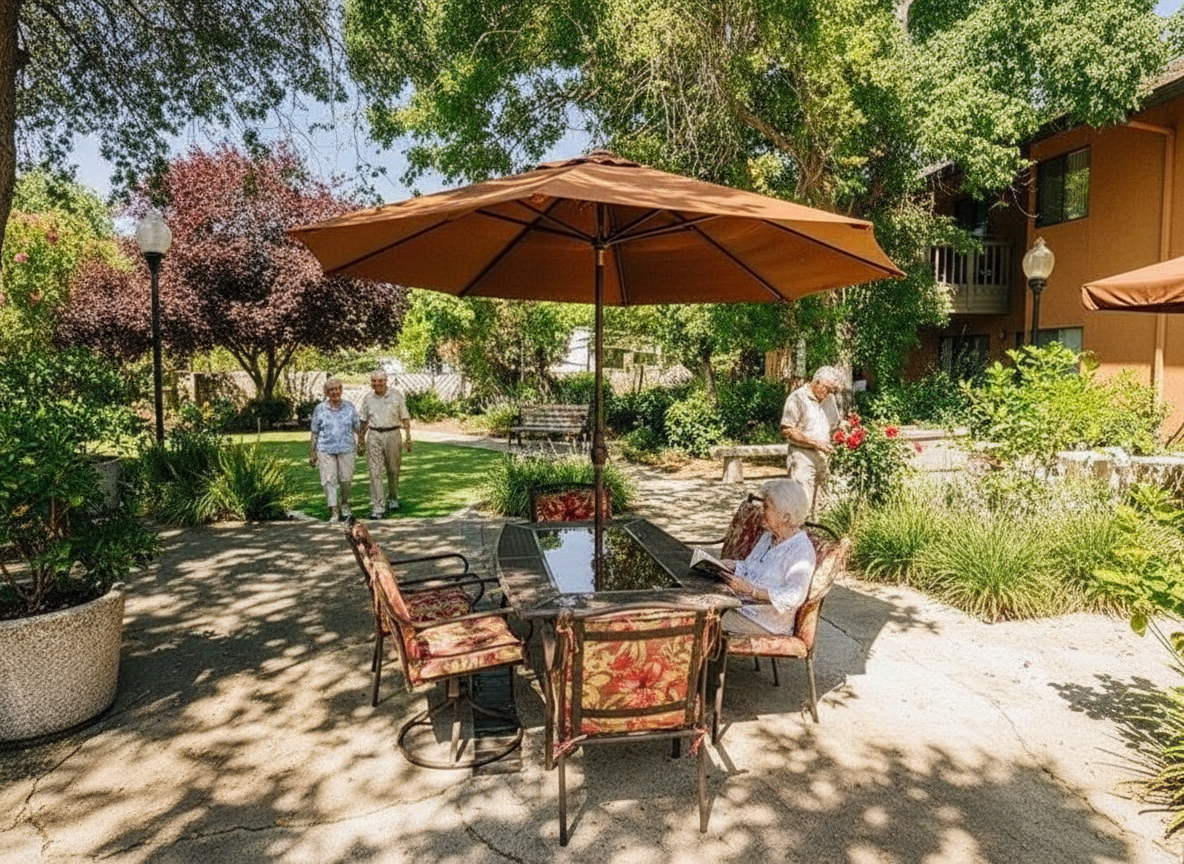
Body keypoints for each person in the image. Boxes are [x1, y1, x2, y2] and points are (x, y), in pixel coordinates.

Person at [718, 479, 816, 635]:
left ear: (785, 516)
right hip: (743, 607)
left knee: (707, 624)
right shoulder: (769, 536)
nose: (761, 511)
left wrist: (753, 591)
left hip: (766, 623)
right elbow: (750, 567)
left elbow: (795, 596)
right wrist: (731, 565)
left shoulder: (801, 550)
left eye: (766, 507)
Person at [781, 365, 843, 517]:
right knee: (803, 501)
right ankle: (801, 530)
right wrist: (815, 443)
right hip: (802, 455)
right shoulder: (797, 398)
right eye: (826, 388)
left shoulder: (829, 399)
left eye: (831, 390)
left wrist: (845, 428)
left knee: (823, 502)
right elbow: (788, 431)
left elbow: (834, 425)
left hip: (823, 456)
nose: (828, 393)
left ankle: (817, 530)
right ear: (816, 382)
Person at [358, 369, 412, 519]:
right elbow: (363, 421)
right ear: (371, 383)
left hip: (393, 434)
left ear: (386, 381)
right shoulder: (368, 399)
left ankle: (393, 497)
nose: (377, 384)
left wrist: (408, 438)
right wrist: (361, 440)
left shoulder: (396, 396)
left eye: (380, 381)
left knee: (393, 469)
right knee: (375, 471)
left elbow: (405, 418)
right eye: (374, 381)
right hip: (374, 434)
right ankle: (378, 506)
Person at [308, 377, 361, 523]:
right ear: (326, 392)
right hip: (325, 449)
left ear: (341, 390)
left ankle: (344, 502)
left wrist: (362, 442)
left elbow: (357, 427)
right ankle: (334, 510)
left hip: (346, 448)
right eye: (331, 389)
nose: (335, 392)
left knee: (346, 479)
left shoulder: (349, 407)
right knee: (328, 480)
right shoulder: (319, 409)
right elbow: (315, 431)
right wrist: (312, 452)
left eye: (338, 389)